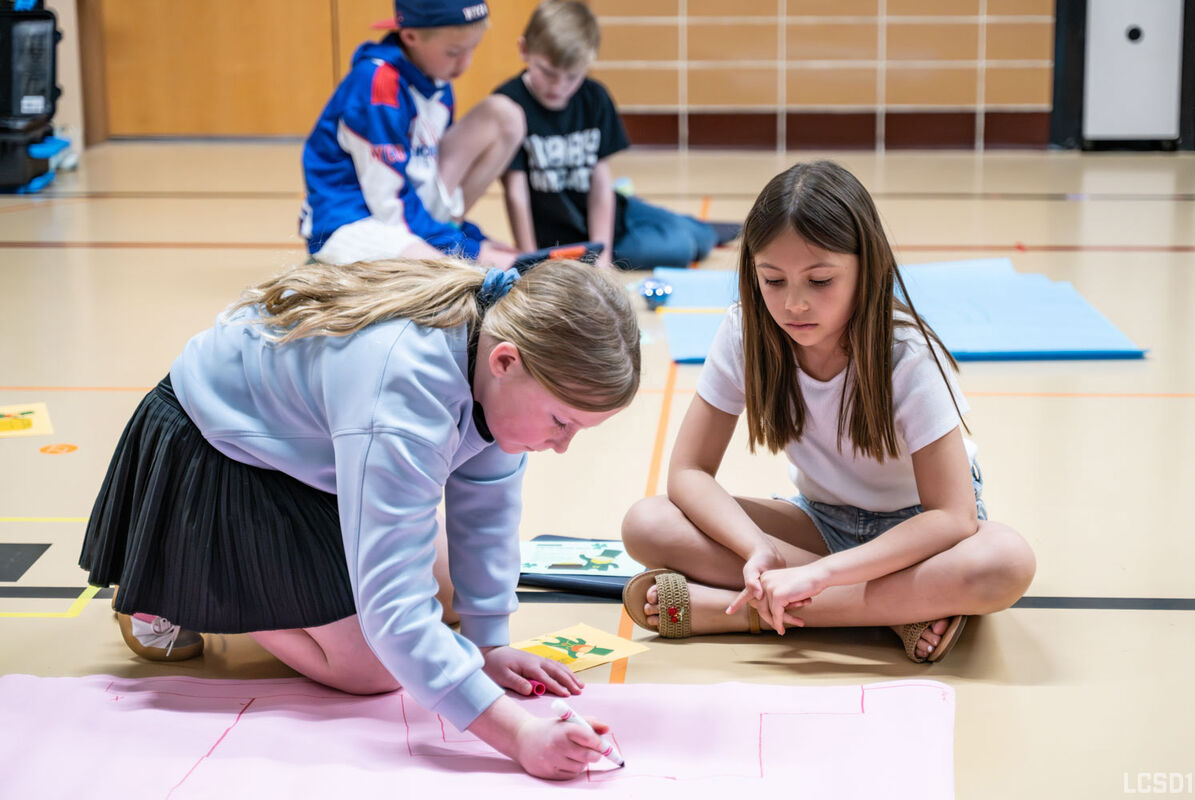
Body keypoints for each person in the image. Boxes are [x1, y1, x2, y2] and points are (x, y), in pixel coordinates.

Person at [79, 256, 642, 779]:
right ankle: (170, 577)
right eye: (561, 422)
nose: (563, 446)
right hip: (211, 453)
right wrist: (518, 733)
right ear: (505, 363)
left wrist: (489, 646)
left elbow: (487, 508)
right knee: (372, 668)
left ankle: (230, 580)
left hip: (298, 460)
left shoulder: (497, 357)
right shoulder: (402, 393)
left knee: (441, 591)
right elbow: (392, 610)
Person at [620, 161, 1036, 663]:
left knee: (1005, 562)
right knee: (648, 523)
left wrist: (821, 575)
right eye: (773, 281)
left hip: (921, 535)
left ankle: (749, 611)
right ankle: (898, 608)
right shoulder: (744, 332)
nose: (794, 304)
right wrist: (758, 550)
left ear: (867, 268)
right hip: (821, 522)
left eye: (819, 280)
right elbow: (689, 472)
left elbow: (951, 516)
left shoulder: (904, 353)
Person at [492, 0, 739, 271]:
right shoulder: (508, 107)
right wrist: (531, 260)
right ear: (524, 50)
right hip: (563, 242)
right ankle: (685, 227)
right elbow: (516, 193)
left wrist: (604, 254)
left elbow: (600, 183)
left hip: (611, 222)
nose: (559, 87)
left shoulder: (594, 97)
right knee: (680, 248)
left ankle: (697, 228)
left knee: (695, 241)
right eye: (548, 73)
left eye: (571, 77)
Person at [301, 0, 523, 268]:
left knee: (506, 117)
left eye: (473, 48)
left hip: (404, 216)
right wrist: (468, 251)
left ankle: (446, 243)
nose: (465, 63)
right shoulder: (377, 85)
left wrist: (469, 237)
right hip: (352, 223)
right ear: (410, 37)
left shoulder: (437, 80)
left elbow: (422, 176)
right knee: (457, 274)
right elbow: (388, 204)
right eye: (453, 52)